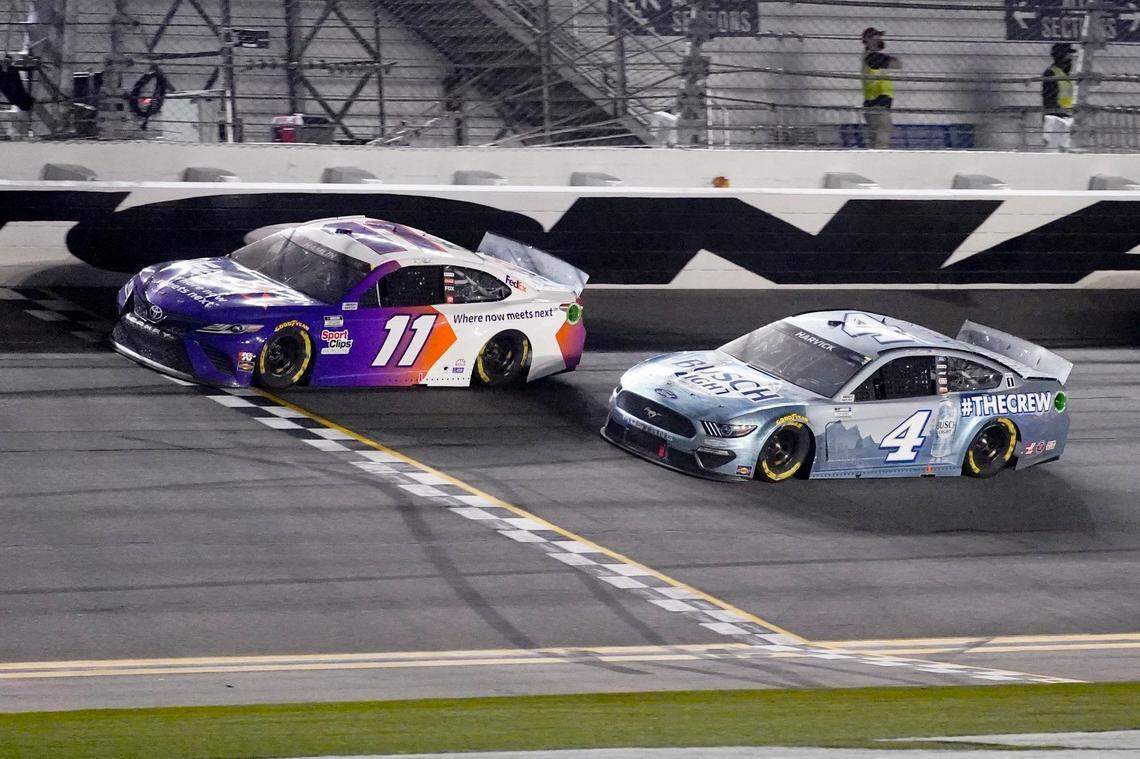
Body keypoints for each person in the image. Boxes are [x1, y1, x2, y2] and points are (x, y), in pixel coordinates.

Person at [860, 27, 902, 149]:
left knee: (880, 138)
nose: (879, 39)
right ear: (867, 40)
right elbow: (897, 64)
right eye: (875, 37)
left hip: (879, 104)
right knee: (881, 141)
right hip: (877, 103)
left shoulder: (874, 57)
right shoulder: (871, 57)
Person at [1042, 42, 1075, 152]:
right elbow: (1049, 99)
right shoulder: (1051, 73)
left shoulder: (1064, 74)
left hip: (1066, 117)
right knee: (1053, 151)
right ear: (1061, 55)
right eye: (1068, 55)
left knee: (1065, 151)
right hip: (1055, 117)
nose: (1071, 58)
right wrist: (1061, 113)